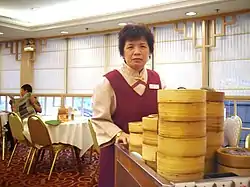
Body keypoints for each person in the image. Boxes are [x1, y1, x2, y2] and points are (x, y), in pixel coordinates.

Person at [92, 24, 165, 187]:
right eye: (130, 47)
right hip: (117, 152)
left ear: (150, 51)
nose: (137, 52)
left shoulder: (158, 80)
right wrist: (119, 134)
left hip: (150, 154)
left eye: (143, 46)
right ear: (122, 52)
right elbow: (99, 119)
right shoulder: (107, 82)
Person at [6, 84, 42, 150]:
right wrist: (12, 104)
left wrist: (33, 103)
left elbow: (40, 110)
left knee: (8, 126)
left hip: (30, 122)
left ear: (26, 91)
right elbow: (14, 112)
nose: (20, 92)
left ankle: (11, 141)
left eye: (21, 90)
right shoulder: (20, 100)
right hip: (21, 121)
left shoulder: (33, 98)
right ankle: (12, 142)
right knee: (9, 124)